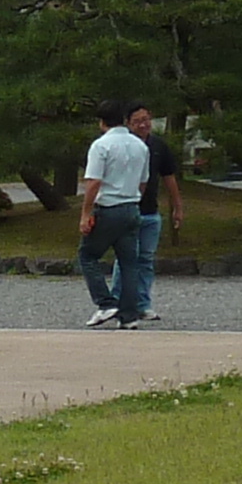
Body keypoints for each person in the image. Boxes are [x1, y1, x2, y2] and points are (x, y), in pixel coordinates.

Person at [75, 102, 154, 327]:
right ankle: (129, 316)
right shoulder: (140, 146)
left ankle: (105, 302)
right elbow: (143, 181)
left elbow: (94, 182)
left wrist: (86, 213)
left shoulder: (101, 145)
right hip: (131, 206)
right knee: (129, 262)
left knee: (88, 255)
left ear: (102, 122)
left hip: (108, 207)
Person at [128, 104, 188, 323]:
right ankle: (118, 302)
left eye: (146, 119)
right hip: (127, 209)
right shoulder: (125, 146)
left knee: (146, 258)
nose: (143, 124)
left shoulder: (158, 146)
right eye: (137, 121)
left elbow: (169, 177)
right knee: (126, 258)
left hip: (150, 210)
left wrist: (177, 207)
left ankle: (143, 303)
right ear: (128, 124)